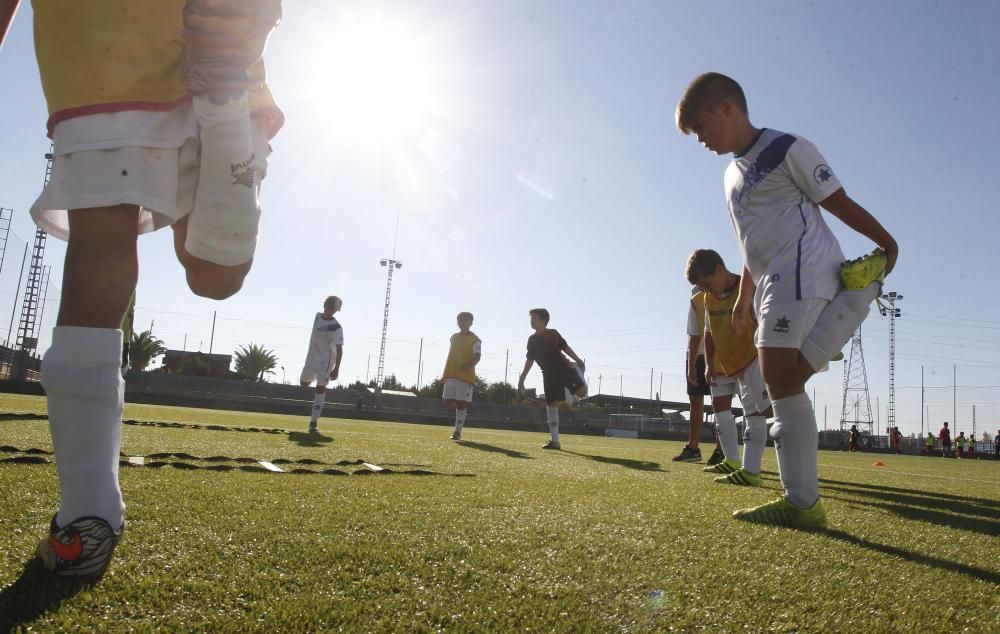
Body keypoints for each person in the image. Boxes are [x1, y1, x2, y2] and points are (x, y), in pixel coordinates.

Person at [21, 0, 283, 578]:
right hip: (187, 35)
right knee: (187, 267)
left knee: (171, 264)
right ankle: (224, 110)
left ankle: (88, 519)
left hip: (106, 51)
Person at [675, 72, 898, 529]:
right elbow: (749, 244)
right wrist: (744, 298)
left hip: (805, 265)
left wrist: (887, 243)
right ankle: (849, 305)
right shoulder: (730, 174)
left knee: (776, 373)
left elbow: (838, 201)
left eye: (701, 127)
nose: (700, 139)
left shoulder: (787, 147)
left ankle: (801, 502)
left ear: (727, 109)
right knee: (784, 376)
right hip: (771, 278)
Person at [687, 249, 772, 486]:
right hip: (727, 363)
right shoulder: (707, 298)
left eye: (707, 283)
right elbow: (709, 332)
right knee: (730, 411)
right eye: (701, 287)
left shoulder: (748, 288)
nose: (706, 290)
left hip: (752, 360)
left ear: (720, 270)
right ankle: (739, 464)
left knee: (765, 413)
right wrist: (708, 364)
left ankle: (754, 470)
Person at [517, 309, 586, 450]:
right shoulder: (531, 340)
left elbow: (565, 348)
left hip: (564, 367)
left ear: (543, 320)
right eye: (531, 318)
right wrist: (523, 377)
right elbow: (530, 359)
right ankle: (555, 441)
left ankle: (578, 374)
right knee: (552, 404)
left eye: (534, 318)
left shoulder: (553, 333)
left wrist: (578, 360)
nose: (531, 321)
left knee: (582, 393)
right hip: (548, 373)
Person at [674, 288, 724, 464]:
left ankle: (721, 449)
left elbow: (694, 336)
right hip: (701, 356)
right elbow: (693, 334)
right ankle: (694, 448)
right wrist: (692, 361)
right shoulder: (696, 299)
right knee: (697, 402)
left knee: (719, 402)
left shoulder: (720, 297)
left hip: (716, 355)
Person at [300, 296, 344, 433]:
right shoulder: (317, 317)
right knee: (304, 383)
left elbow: (339, 349)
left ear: (336, 311)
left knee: (320, 389)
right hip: (311, 359)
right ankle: (314, 378)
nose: (329, 311)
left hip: (326, 363)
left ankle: (313, 422)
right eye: (328, 307)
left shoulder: (337, 327)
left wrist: (336, 368)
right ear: (324, 305)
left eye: (333, 309)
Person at [441, 312, 481, 441]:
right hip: (451, 373)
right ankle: (462, 412)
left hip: (465, 376)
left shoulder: (475, 339)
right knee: (447, 400)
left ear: (471, 323)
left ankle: (457, 431)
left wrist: (467, 366)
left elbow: (477, 356)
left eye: (466, 320)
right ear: (457, 322)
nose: (463, 322)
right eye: (460, 320)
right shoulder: (453, 337)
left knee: (460, 403)